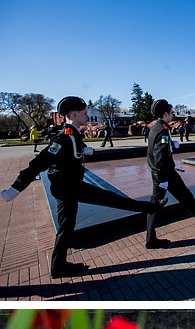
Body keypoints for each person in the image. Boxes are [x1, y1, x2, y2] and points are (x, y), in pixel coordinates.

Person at [9, 96, 144, 278]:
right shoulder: (64, 136)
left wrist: (84, 150)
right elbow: (41, 161)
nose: (88, 117)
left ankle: (58, 266)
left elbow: (73, 151)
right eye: (85, 113)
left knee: (67, 226)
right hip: (68, 187)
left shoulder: (72, 134)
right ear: (74, 113)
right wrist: (16, 187)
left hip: (69, 185)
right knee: (109, 199)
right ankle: (149, 207)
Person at [145, 100, 195, 249]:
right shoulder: (161, 130)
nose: (173, 115)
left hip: (166, 172)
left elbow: (157, 150)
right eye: (172, 112)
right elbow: (159, 156)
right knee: (155, 204)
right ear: (165, 113)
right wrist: (162, 178)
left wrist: (170, 145)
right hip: (163, 174)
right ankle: (150, 239)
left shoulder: (158, 127)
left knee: (184, 194)